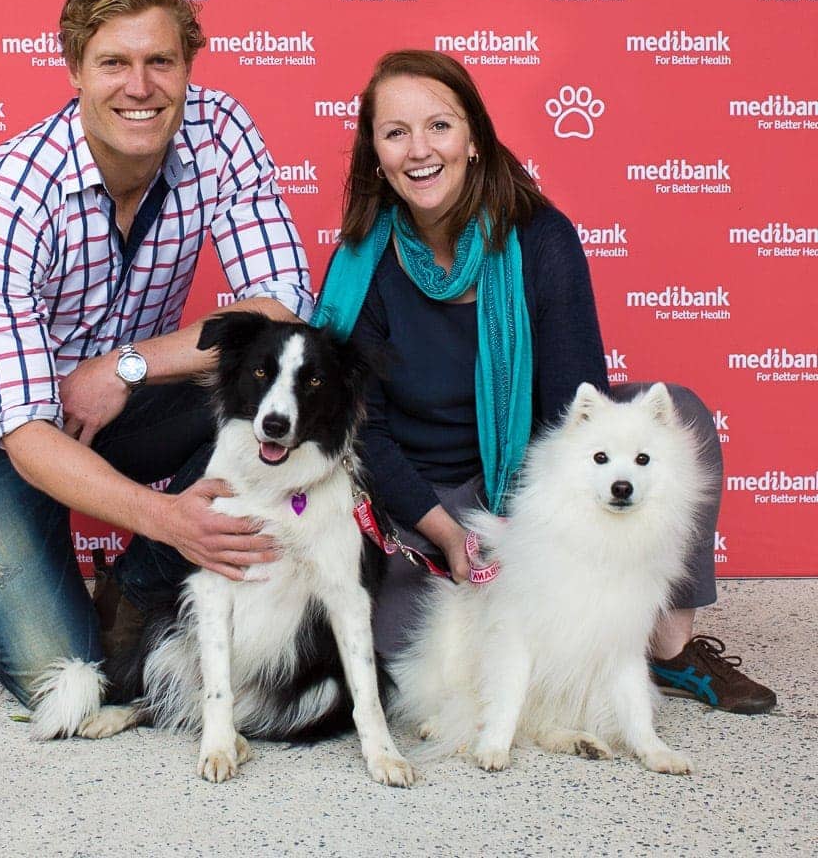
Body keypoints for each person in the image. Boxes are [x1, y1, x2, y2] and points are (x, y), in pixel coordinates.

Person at [312, 49, 776, 715]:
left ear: (473, 137)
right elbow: (364, 432)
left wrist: (524, 531)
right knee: (402, 672)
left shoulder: (541, 240)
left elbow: (571, 414)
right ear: (376, 153)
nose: (420, 149)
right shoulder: (363, 264)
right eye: (395, 133)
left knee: (685, 421)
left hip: (524, 477)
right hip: (414, 497)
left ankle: (669, 650)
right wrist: (448, 534)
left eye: (439, 126)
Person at [0, 0, 313, 708]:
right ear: (75, 72)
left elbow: (282, 309)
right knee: (69, 683)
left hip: (124, 397)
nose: (140, 85)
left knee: (269, 395)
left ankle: (134, 585)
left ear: (188, 65)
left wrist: (121, 368)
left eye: (160, 60)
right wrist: (170, 518)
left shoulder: (222, 132)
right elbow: (25, 430)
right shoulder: (8, 196)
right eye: (114, 63)